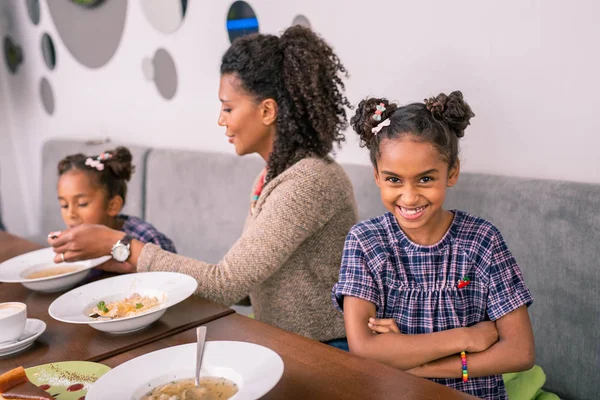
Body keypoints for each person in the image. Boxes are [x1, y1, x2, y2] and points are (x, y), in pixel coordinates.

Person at [49, 26, 358, 346]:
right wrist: (137, 264)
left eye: (227, 108)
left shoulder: (309, 182)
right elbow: (249, 285)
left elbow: (226, 285)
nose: (220, 120)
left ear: (266, 110)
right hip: (279, 338)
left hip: (324, 349)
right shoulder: (270, 178)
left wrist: (122, 245)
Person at [332, 91, 535, 399]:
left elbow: (519, 352)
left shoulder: (482, 240)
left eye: (425, 179)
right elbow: (365, 349)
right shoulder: (365, 242)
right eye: (394, 180)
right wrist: (467, 337)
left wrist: (418, 365)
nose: (410, 197)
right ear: (377, 175)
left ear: (451, 172)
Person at [53, 146, 176, 272]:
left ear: (113, 206)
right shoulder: (74, 245)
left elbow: (173, 268)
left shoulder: (145, 238)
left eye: (82, 203)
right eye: (64, 205)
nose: (70, 214)